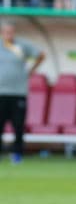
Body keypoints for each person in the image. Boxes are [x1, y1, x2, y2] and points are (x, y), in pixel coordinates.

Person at [0, 20, 44, 164]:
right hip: (1, 93)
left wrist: (31, 70)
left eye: (11, 32)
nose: (9, 35)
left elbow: (41, 55)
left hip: (18, 93)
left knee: (18, 125)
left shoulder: (22, 46)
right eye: (6, 32)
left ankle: (17, 154)